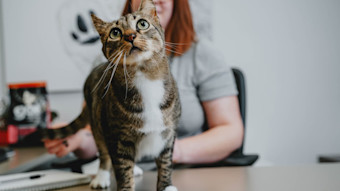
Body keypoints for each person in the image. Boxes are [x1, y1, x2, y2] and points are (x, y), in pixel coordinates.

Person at [44, 0, 244, 165]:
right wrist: (78, 139)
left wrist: (173, 151)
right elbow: (97, 135)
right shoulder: (107, 63)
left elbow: (231, 131)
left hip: (185, 172)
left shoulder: (203, 55)